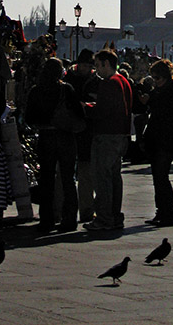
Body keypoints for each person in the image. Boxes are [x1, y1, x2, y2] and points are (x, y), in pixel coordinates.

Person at [25, 57, 85, 233]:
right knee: (68, 179)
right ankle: (69, 219)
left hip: (46, 137)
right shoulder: (66, 89)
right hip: (65, 137)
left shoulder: (36, 91)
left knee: (46, 179)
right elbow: (79, 113)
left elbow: (29, 118)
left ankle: (47, 219)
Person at [82, 46, 133, 231]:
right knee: (114, 178)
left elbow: (103, 111)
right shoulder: (124, 81)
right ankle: (115, 216)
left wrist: (86, 108)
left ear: (106, 64)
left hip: (106, 135)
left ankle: (103, 218)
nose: (96, 70)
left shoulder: (108, 83)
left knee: (101, 178)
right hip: (121, 135)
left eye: (98, 65)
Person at [141, 59, 173, 226]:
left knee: (162, 177)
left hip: (166, 139)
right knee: (157, 178)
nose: (156, 81)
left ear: (166, 76)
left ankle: (170, 213)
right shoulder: (158, 91)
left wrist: (154, 98)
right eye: (153, 78)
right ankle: (161, 211)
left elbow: (170, 116)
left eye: (157, 78)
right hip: (155, 138)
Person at [63, 49, 100, 222]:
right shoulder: (68, 80)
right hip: (70, 128)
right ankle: (63, 209)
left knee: (86, 172)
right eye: (85, 65)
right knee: (66, 171)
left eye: (89, 66)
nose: (87, 69)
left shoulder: (95, 81)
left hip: (87, 130)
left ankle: (86, 209)